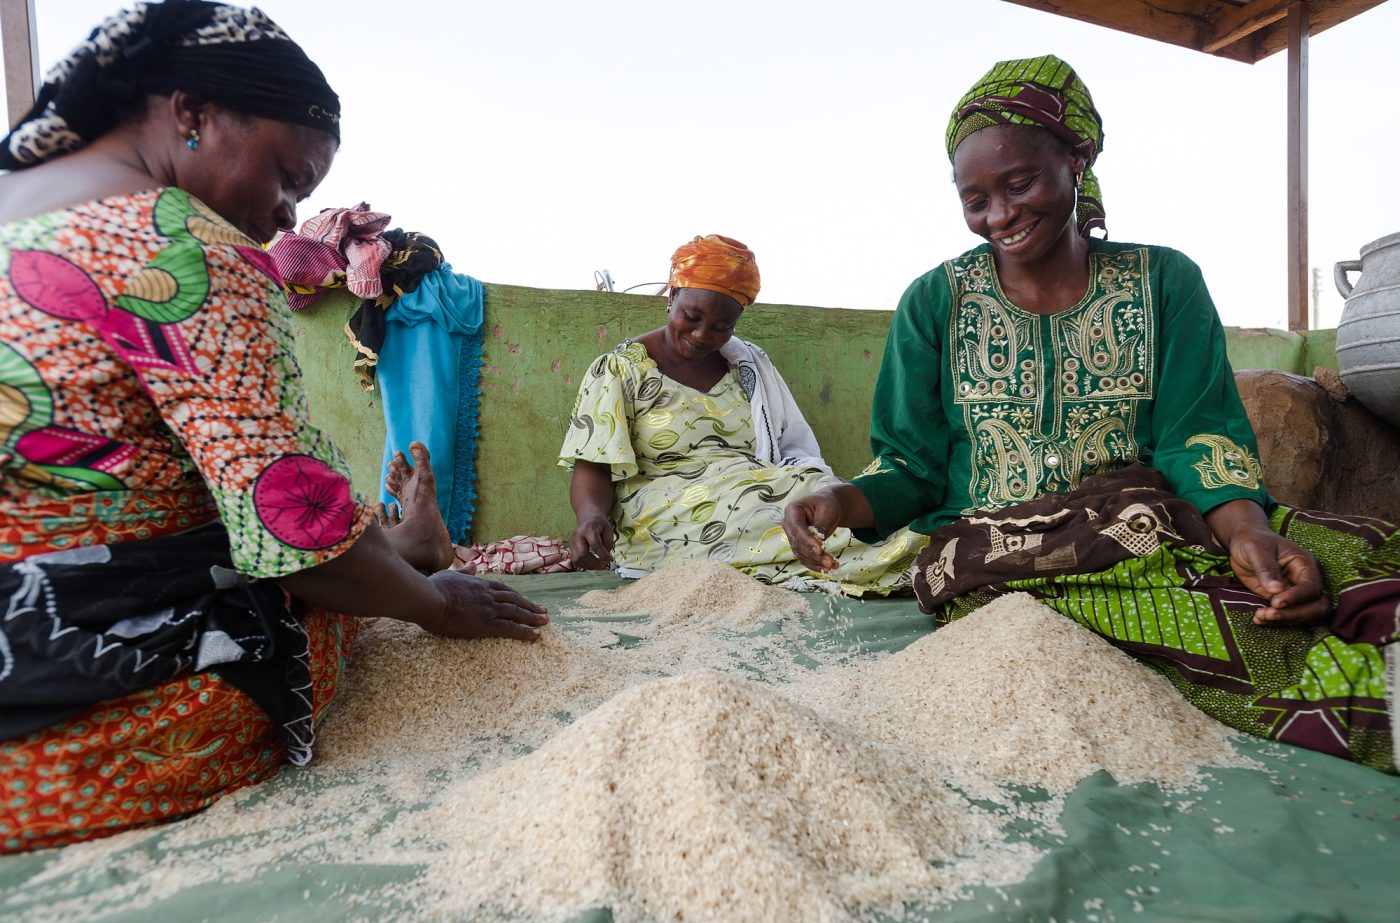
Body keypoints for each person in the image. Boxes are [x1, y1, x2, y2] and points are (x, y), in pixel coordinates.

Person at [0, 0, 548, 852]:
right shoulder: (184, 248)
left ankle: (401, 545)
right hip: (52, 703)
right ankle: (409, 555)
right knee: (312, 593)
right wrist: (437, 607)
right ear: (191, 113)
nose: (290, 217)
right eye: (287, 179)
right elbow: (296, 539)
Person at [782, 55, 1398, 772]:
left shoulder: (1166, 280)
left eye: (1019, 184)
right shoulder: (935, 302)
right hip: (1002, 562)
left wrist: (1250, 530)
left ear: (1080, 157)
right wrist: (834, 498)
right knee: (1237, 631)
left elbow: (1197, 438)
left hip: (1153, 519)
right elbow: (910, 468)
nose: (1000, 215)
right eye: (975, 199)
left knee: (1355, 555)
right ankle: (1370, 701)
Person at [561, 234, 926, 593]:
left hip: (758, 487)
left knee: (826, 500)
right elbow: (593, 465)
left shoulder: (748, 365)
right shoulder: (619, 370)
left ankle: (929, 539)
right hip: (667, 513)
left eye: (722, 327)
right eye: (692, 316)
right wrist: (591, 518)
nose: (703, 335)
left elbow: (792, 447)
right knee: (790, 525)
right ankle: (925, 554)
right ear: (672, 297)